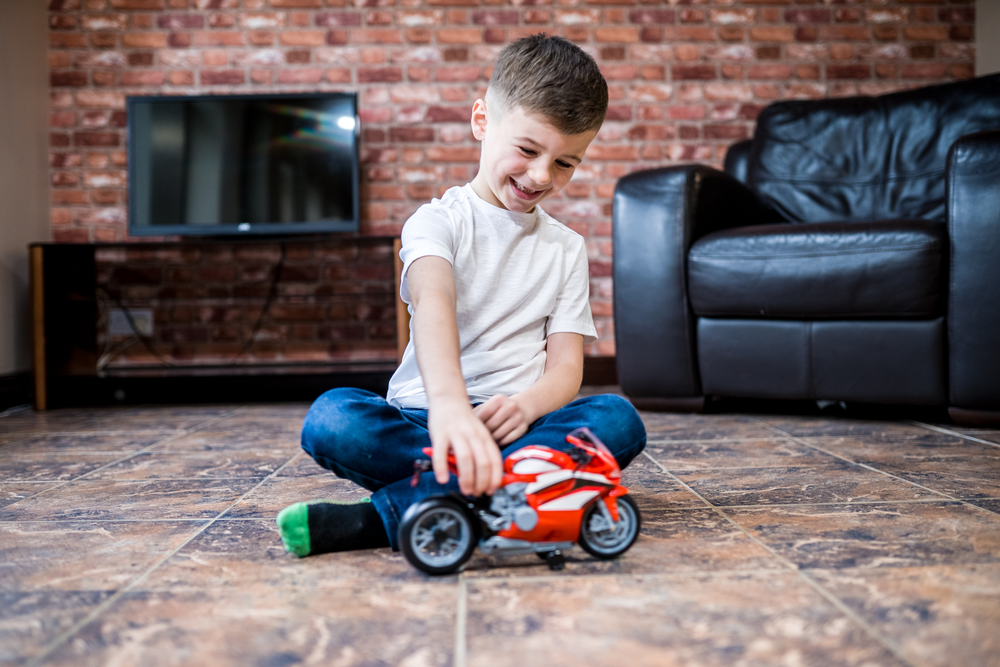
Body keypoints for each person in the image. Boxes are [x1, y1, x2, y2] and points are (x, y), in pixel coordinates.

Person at [276, 34, 647, 558]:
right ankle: (511, 494)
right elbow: (433, 305)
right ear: (481, 120)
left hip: (520, 427)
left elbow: (566, 367)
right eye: (527, 150)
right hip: (426, 421)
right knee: (333, 418)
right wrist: (450, 409)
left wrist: (525, 407)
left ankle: (385, 518)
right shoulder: (435, 223)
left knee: (616, 419)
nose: (541, 175)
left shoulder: (567, 248)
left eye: (566, 163)